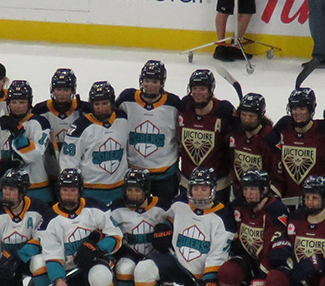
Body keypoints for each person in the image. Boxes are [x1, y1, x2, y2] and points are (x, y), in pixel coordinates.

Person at [33, 168, 123, 286]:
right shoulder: (50, 219)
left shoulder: (96, 208)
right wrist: (59, 279)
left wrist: (97, 248)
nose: (68, 195)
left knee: (101, 277)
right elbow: (52, 255)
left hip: (94, 262)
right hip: (69, 270)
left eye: (72, 190)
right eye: (64, 190)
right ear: (59, 191)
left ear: (80, 191)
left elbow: (116, 236)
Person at [217, 169, 291, 286]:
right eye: (245, 189)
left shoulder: (276, 209)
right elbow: (228, 231)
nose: (248, 194)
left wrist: (260, 278)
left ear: (265, 190)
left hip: (274, 261)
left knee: (274, 282)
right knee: (228, 272)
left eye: (253, 189)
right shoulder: (237, 206)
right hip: (250, 259)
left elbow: (272, 247)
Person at [106, 169, 168, 286]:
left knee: (145, 271)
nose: (132, 194)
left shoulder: (161, 207)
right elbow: (107, 229)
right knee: (124, 268)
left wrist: (166, 234)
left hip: (154, 254)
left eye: (137, 190)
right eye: (129, 190)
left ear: (147, 191)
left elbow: (173, 229)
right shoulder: (117, 207)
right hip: (130, 252)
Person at [118, 60, 180, 206]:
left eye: (154, 81)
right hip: (133, 172)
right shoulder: (127, 99)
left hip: (165, 173)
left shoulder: (173, 104)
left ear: (162, 82)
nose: (150, 85)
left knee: (164, 214)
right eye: (147, 80)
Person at [0, 79, 52, 207]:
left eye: (22, 102)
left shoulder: (39, 123)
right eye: (14, 102)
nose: (17, 106)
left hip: (36, 188)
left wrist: (18, 134)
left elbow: (34, 154)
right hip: (2, 189)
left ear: (29, 103)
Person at [60, 81, 130, 205]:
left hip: (120, 190)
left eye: (105, 103)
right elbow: (68, 163)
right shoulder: (79, 127)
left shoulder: (123, 119)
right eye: (97, 104)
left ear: (112, 103)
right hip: (90, 191)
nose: (101, 107)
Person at [266, 87, 325, 202]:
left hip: (316, 201)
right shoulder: (283, 126)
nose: (297, 113)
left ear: (311, 109)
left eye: (302, 108)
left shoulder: (324, 130)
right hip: (287, 198)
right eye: (294, 108)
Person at [177, 69, 236, 198]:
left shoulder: (224, 112)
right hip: (188, 183)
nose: (198, 93)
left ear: (211, 90)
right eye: (195, 88)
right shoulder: (184, 107)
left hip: (218, 185)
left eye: (202, 89)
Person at [226, 93, 277, 194]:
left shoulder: (269, 138)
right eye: (243, 115)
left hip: (259, 194)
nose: (246, 120)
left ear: (260, 116)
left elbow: (273, 171)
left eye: (251, 116)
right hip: (238, 192)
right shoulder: (235, 133)